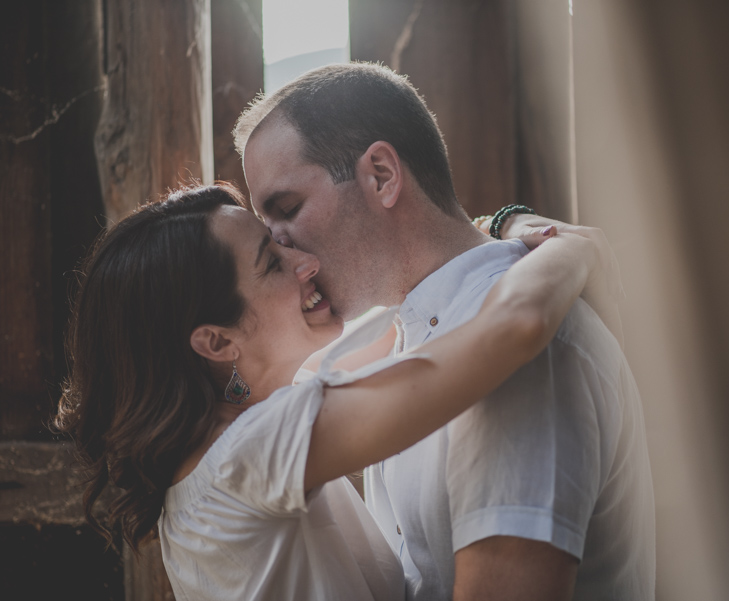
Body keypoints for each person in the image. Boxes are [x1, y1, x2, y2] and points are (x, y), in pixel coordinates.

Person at [54, 183, 608, 600]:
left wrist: (503, 224)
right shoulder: (247, 455)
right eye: (273, 263)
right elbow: (513, 329)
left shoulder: (229, 446)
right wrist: (572, 250)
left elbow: (423, 291)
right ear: (217, 341)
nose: (305, 262)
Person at [234, 62, 656, 601]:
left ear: (381, 176)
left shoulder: (522, 351)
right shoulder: (404, 333)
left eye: (288, 209)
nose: (279, 245)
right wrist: (511, 222)